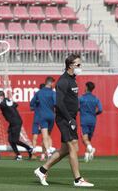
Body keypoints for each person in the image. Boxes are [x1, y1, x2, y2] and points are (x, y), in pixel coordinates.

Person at [34, 54, 94, 187]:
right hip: (64, 119)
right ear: (70, 65)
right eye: (78, 65)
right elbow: (59, 103)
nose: (80, 67)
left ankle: (42, 170)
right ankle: (78, 179)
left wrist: (72, 118)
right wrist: (69, 119)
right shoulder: (63, 81)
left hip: (71, 118)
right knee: (73, 147)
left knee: (67, 149)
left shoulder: (73, 79)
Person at [0, 91, 32, 160]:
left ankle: (29, 148)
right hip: (13, 122)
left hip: (16, 122)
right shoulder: (8, 101)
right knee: (10, 140)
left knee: (15, 140)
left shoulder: (2, 103)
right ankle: (19, 155)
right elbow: (15, 104)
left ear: (2, 96)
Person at [31, 77, 56, 161]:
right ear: (51, 83)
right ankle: (47, 152)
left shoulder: (38, 93)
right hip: (51, 115)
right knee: (48, 135)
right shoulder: (53, 93)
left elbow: (31, 103)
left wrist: (36, 107)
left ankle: (48, 152)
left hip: (42, 116)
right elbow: (56, 104)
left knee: (44, 135)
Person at [79, 81, 102, 162]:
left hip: (84, 120)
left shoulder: (81, 98)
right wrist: (94, 113)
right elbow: (100, 109)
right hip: (93, 120)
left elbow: (76, 107)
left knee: (84, 139)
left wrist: (80, 110)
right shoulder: (96, 98)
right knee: (88, 139)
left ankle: (91, 149)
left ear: (86, 88)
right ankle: (87, 155)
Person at [30, 83, 46, 160]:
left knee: (34, 138)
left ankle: (34, 153)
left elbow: (31, 106)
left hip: (37, 119)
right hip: (44, 119)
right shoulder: (47, 97)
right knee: (45, 138)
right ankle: (43, 155)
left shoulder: (37, 96)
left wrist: (35, 107)